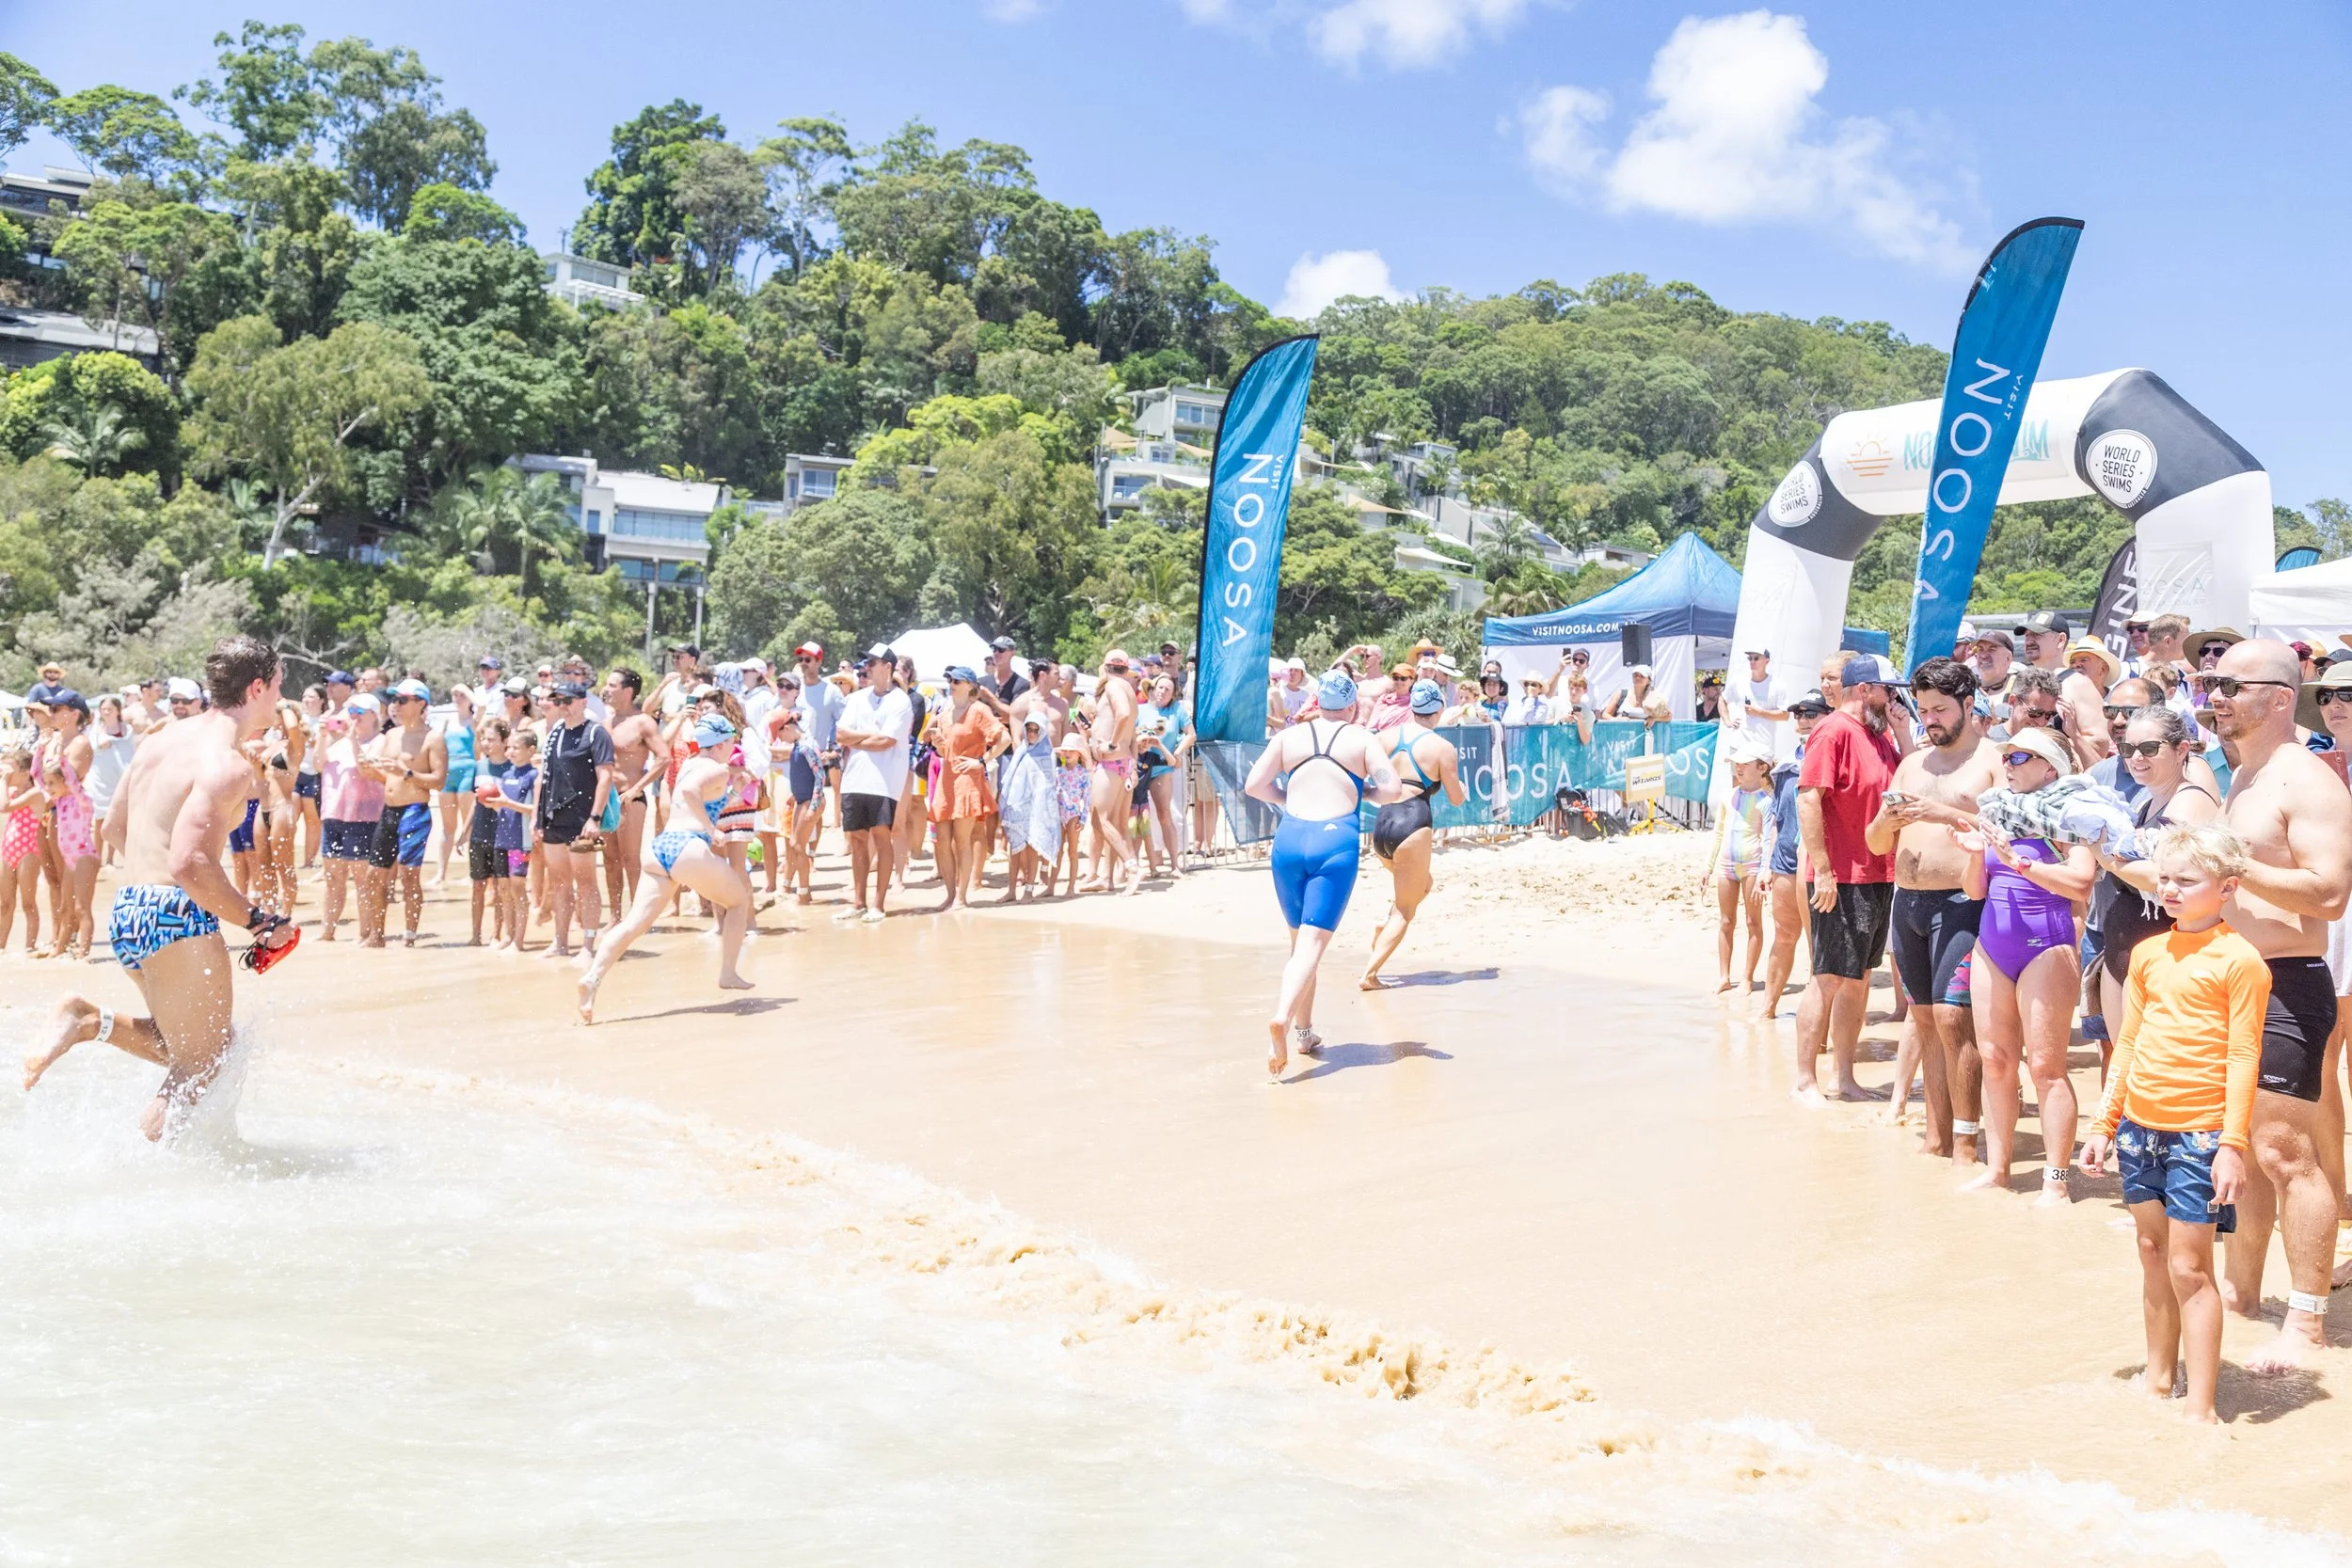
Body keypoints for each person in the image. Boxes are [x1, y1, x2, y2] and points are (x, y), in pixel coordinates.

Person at [24, 636, 297, 1142]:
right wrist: (260, 922)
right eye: (278, 686)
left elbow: (114, 832)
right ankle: (158, 1175)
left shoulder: (161, 739)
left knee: (187, 1046)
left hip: (130, 907)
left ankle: (89, 1021)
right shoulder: (227, 764)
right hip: (176, 912)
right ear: (256, 686)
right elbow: (191, 863)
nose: (280, 697)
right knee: (205, 1061)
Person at [2078, 823, 2268, 1425]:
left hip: (2201, 1135)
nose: (2171, 890)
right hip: (2140, 1126)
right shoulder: (2148, 954)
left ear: (2228, 887)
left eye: (2188, 880)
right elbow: (2127, 1044)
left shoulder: (2241, 961)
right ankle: (2158, 1382)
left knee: (2191, 1266)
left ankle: (2203, 1407)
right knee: (2150, 1249)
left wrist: (2232, 1146)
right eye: (2165, 878)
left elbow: (2244, 1057)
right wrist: (2104, 1125)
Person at [2200, 639, 2352, 1370]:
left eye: (2230, 683)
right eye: (2210, 681)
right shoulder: (2244, 775)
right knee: (2245, 1153)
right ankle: (2244, 1291)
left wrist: (2239, 866)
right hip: (2233, 982)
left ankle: (2310, 1322)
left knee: (2288, 1156)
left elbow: (2329, 891)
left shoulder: (2308, 780)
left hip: (2289, 981)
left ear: (2281, 696)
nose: (2214, 692)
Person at [1868, 657, 2000, 1166]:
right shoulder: (1911, 763)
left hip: (1963, 900)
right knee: (1924, 1021)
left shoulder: (1991, 761)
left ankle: (1967, 1144)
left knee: (1953, 1018)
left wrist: (1943, 812)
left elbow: (2005, 833)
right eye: (1924, 710)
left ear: (1968, 705)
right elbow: (1877, 841)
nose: (1931, 720)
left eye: (1941, 709)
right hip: (1909, 901)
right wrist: (1885, 818)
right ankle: (1936, 1137)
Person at [1957, 725, 2096, 1203]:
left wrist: (2016, 861)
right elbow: (1975, 891)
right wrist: (1979, 857)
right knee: (1994, 1060)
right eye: (2008, 757)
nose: (2009, 766)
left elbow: (2080, 883)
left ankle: (2056, 1181)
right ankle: (1998, 1170)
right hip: (1992, 945)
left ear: (2049, 767)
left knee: (2045, 1067)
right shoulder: (1996, 812)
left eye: (2019, 758)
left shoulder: (2072, 814)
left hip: (2047, 946)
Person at [1245, 672, 1404, 1078]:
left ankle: (1303, 1033)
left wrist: (1285, 798)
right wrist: (1362, 792)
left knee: (1299, 943)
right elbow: (1391, 790)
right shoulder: (1361, 738)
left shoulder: (1289, 737)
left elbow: (1254, 785)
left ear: (1317, 702)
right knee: (1313, 945)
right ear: (1352, 706)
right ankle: (1280, 1017)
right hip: (1335, 841)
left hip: (1289, 839)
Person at [578, 713, 758, 1023]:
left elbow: (695, 799)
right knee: (739, 901)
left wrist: (732, 791)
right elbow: (690, 794)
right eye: (732, 740)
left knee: (634, 924)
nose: (734, 746)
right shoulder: (715, 768)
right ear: (722, 743)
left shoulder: (691, 762)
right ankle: (728, 973)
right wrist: (711, 830)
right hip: (689, 847)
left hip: (662, 847)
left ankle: (592, 979)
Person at [1792, 657, 1905, 1104]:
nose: (1894, 698)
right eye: (1887, 691)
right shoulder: (1834, 730)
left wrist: (1901, 729)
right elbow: (1808, 799)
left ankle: (1844, 1077)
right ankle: (1804, 1080)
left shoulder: (1877, 735)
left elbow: (1910, 780)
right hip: (1840, 876)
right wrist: (1823, 870)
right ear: (1864, 689)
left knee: (1858, 978)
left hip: (1878, 873)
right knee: (1828, 976)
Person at [2092, 705, 2222, 1064]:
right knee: (2130, 1069)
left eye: (2149, 748)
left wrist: (2104, 857)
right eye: (2127, 749)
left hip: (2171, 955)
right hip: (2130, 947)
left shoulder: (2191, 801)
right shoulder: (2151, 799)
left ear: (2182, 750)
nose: (2136, 758)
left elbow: (2169, 880)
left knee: (2166, 1071)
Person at [1360, 680, 1467, 990]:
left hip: (1382, 825)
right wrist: (1463, 789)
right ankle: (1369, 974)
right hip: (1413, 824)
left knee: (1424, 885)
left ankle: (1386, 922)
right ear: (1440, 709)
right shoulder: (1442, 748)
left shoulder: (1385, 738)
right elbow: (1456, 798)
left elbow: (1368, 776)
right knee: (1407, 909)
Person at [362, 679, 446, 949]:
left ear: (421, 703)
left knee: (409, 875)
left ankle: (410, 937)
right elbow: (386, 776)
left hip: (415, 811)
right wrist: (371, 769)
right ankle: (377, 935)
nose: (396, 705)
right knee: (375, 874)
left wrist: (407, 773)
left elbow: (439, 780)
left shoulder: (432, 737)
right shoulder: (391, 736)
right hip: (389, 811)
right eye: (395, 700)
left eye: (402, 700)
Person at [1762, 689, 1830, 1020]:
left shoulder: (1833, 758)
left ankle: (1819, 1028)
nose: (1803, 720)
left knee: (1820, 947)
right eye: (1798, 714)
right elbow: (1776, 820)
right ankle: (1767, 1009)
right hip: (1785, 861)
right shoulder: (1787, 766)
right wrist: (1765, 866)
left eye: (1811, 713)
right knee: (1784, 936)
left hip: (1820, 864)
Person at [834, 646, 914, 923]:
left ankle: (878, 905)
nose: (866, 666)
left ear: (888, 667)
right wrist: (868, 737)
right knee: (857, 840)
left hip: (884, 781)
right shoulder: (856, 699)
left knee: (882, 837)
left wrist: (858, 739)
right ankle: (858, 902)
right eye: (866, 661)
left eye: (872, 662)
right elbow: (841, 735)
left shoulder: (901, 701)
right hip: (854, 778)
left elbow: (886, 743)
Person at [536, 680, 613, 962]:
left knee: (587, 882)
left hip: (583, 819)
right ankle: (560, 942)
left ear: (583, 702)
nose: (564, 707)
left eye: (568, 701)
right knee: (558, 883)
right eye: (560, 702)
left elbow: (605, 776)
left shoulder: (596, 733)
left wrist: (595, 818)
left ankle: (588, 946)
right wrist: (539, 817)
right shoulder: (555, 733)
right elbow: (546, 778)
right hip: (555, 816)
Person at [930, 666, 1009, 911]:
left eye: (956, 680)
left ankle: (961, 898)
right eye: (949, 679)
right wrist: (939, 745)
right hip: (947, 777)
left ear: (970, 685)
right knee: (941, 839)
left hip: (967, 778)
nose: (951, 683)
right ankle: (950, 894)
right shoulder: (946, 711)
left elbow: (1004, 738)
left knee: (962, 839)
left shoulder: (979, 710)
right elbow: (944, 751)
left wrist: (982, 760)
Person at [1708, 736, 1777, 997]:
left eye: (1744, 764)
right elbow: (1718, 833)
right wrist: (1708, 866)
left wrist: (1765, 871)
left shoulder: (1767, 800)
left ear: (1762, 768)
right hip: (1727, 863)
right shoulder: (1728, 796)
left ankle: (1747, 978)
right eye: (1736, 763)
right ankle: (1725, 976)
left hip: (1751, 864)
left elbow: (1770, 837)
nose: (1738, 768)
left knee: (1752, 921)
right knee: (1726, 921)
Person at [317, 696, 383, 941]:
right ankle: (327, 931)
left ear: (374, 714)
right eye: (351, 711)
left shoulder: (379, 741)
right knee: (333, 877)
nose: (354, 715)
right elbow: (317, 764)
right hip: (333, 816)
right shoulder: (338, 744)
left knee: (362, 879)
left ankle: (364, 932)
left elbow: (366, 769)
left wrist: (354, 739)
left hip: (362, 817)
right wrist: (323, 736)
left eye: (359, 711)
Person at [601, 667, 664, 912]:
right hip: (607, 799)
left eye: (612, 685)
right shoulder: (606, 722)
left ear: (628, 691)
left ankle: (638, 915)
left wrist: (636, 789)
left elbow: (663, 758)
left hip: (631, 797)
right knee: (609, 860)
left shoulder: (643, 722)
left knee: (630, 860)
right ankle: (616, 916)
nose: (606, 689)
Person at [1087, 651, 1142, 895]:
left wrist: (1110, 743)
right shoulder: (1129, 688)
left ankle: (1131, 868)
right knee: (1117, 824)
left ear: (1105, 668)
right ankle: (1107, 877)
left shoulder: (1113, 686)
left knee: (1102, 820)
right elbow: (1132, 729)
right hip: (1124, 762)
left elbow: (1123, 715)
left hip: (1111, 763)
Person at [1136, 673, 1191, 879]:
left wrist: (1175, 754)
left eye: (1168, 689)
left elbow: (1191, 735)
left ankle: (1174, 865)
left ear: (1173, 694)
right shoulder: (1140, 710)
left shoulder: (1177, 710)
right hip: (1140, 766)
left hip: (1162, 767)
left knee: (1165, 815)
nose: (1163, 692)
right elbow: (1129, 735)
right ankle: (1136, 865)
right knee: (1137, 816)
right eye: (1160, 687)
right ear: (1153, 689)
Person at [431, 683, 478, 889]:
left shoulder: (473, 721)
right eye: (455, 694)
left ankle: (472, 872)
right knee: (448, 827)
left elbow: (482, 706)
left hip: (468, 769)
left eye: (462, 695)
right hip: (449, 771)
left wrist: (467, 692)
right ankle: (441, 873)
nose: (458, 698)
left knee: (468, 824)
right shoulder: (447, 721)